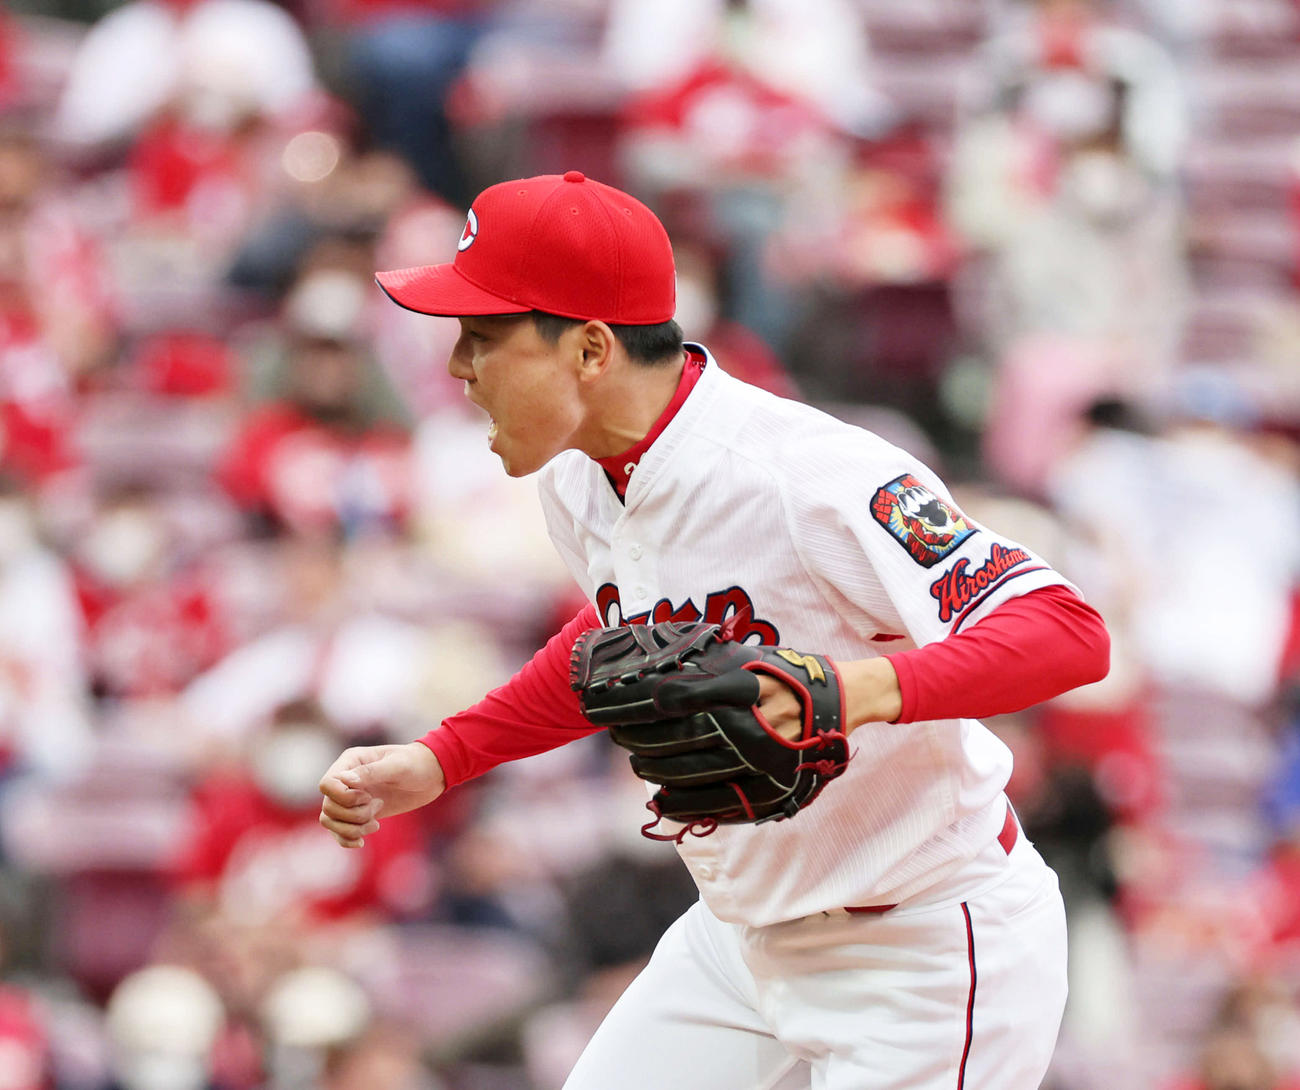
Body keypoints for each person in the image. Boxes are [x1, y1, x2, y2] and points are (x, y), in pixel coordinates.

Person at [318, 170, 1111, 1090]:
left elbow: (1068, 630)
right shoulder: (579, 476)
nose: (457, 366)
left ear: (590, 348)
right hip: (739, 944)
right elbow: (616, 645)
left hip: (924, 944)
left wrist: (851, 691)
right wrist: (445, 757)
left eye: (483, 337)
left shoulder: (807, 476)